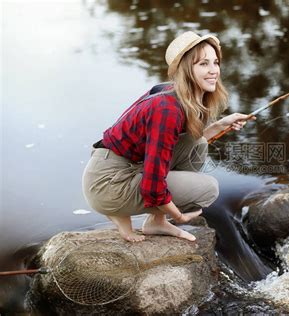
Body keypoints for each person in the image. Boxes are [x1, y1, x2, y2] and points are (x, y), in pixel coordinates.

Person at [82, 31, 254, 242]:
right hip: (109, 182)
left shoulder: (175, 94)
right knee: (208, 189)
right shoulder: (167, 109)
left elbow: (170, 146)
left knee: (197, 142)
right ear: (186, 70)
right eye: (203, 64)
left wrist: (220, 125)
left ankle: (155, 221)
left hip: (123, 167)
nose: (213, 71)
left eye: (215, 62)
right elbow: (152, 185)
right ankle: (122, 211)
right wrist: (179, 216)